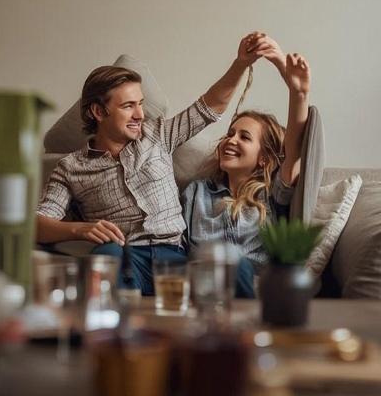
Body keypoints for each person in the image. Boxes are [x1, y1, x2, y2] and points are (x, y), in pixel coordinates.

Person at [35, 33, 280, 295]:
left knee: (235, 266)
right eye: (129, 106)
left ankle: (250, 333)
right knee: (104, 257)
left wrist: (240, 63)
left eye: (140, 104)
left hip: (176, 259)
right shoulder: (70, 167)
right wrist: (81, 230)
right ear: (98, 112)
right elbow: (38, 225)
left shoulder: (157, 134)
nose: (140, 114)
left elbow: (211, 106)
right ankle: (111, 327)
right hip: (125, 258)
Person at [182, 50, 311, 297]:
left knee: (235, 262)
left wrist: (299, 93)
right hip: (205, 294)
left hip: (254, 294)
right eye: (230, 133)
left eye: (244, 137)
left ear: (263, 158)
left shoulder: (273, 194)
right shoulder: (196, 193)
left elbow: (295, 149)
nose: (231, 140)